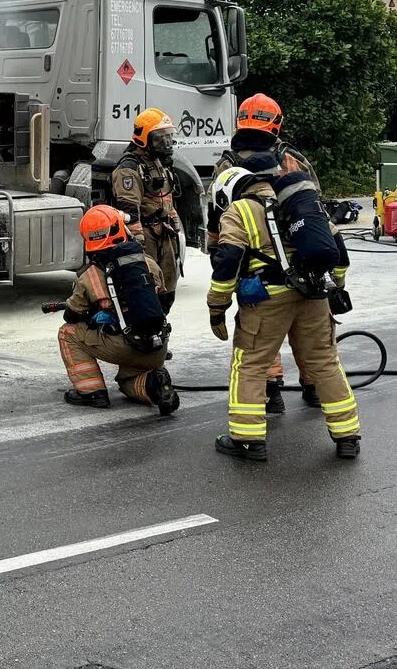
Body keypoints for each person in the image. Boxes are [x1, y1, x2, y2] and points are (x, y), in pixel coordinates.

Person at [207, 165, 359, 462]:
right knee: (325, 362)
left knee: (249, 364)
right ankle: (347, 436)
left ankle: (247, 440)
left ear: (228, 192)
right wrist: (337, 287)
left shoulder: (239, 211)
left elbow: (227, 263)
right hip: (314, 295)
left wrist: (217, 306)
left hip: (267, 300)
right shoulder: (296, 204)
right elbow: (338, 252)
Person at [207, 93, 321, 411]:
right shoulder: (293, 159)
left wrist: (215, 250)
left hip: (252, 258)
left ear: (240, 121)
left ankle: (270, 390)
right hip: (302, 256)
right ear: (276, 123)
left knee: (259, 326)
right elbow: (316, 207)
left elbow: (216, 212)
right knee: (307, 324)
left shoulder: (227, 164)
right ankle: (314, 386)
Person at [55, 205, 179, 414]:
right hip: (157, 346)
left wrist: (96, 315)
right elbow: (164, 301)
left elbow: (72, 314)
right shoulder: (147, 263)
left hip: (124, 345)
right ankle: (155, 385)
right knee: (127, 381)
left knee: (67, 333)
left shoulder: (90, 275)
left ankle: (91, 391)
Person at [112, 108, 182, 297]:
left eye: (169, 137)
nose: (166, 143)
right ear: (143, 138)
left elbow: (167, 199)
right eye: (160, 138)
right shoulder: (129, 169)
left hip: (164, 234)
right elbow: (129, 210)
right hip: (146, 236)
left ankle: (162, 321)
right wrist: (138, 247)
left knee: (168, 289)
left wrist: (175, 227)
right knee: (149, 288)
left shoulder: (159, 162)